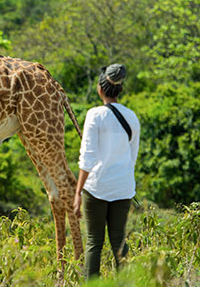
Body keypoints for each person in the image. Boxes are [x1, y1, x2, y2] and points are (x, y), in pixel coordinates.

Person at [73, 63, 140, 280]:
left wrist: (77, 193)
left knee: (94, 242)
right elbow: (132, 157)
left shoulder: (94, 115)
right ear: (120, 90)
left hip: (96, 188)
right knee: (119, 240)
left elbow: (87, 157)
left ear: (100, 89)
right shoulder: (132, 117)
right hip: (123, 187)